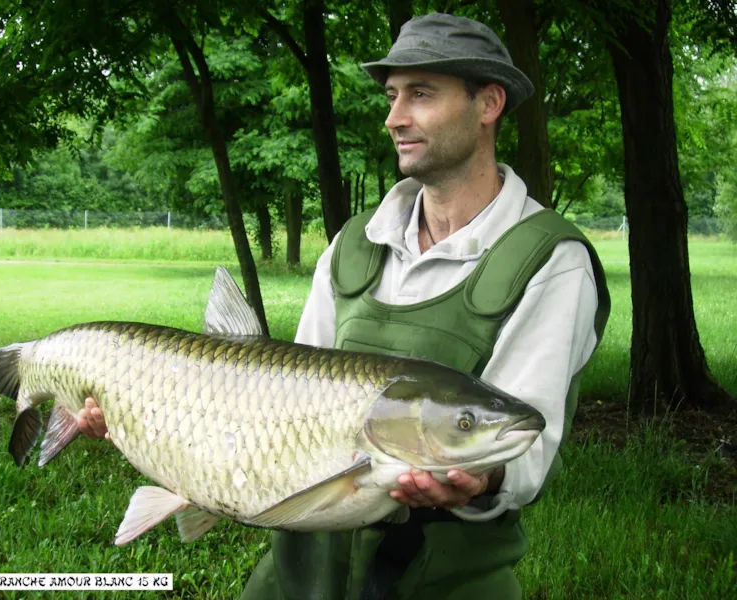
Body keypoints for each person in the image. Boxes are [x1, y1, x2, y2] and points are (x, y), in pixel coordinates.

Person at [78, 12, 609, 600]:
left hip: (442, 581)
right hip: (298, 574)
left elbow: (525, 442)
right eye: (391, 95)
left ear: (488, 104)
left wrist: (480, 476)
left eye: (421, 94)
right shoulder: (353, 244)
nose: (394, 117)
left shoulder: (550, 258)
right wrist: (153, 423)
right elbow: (276, 399)